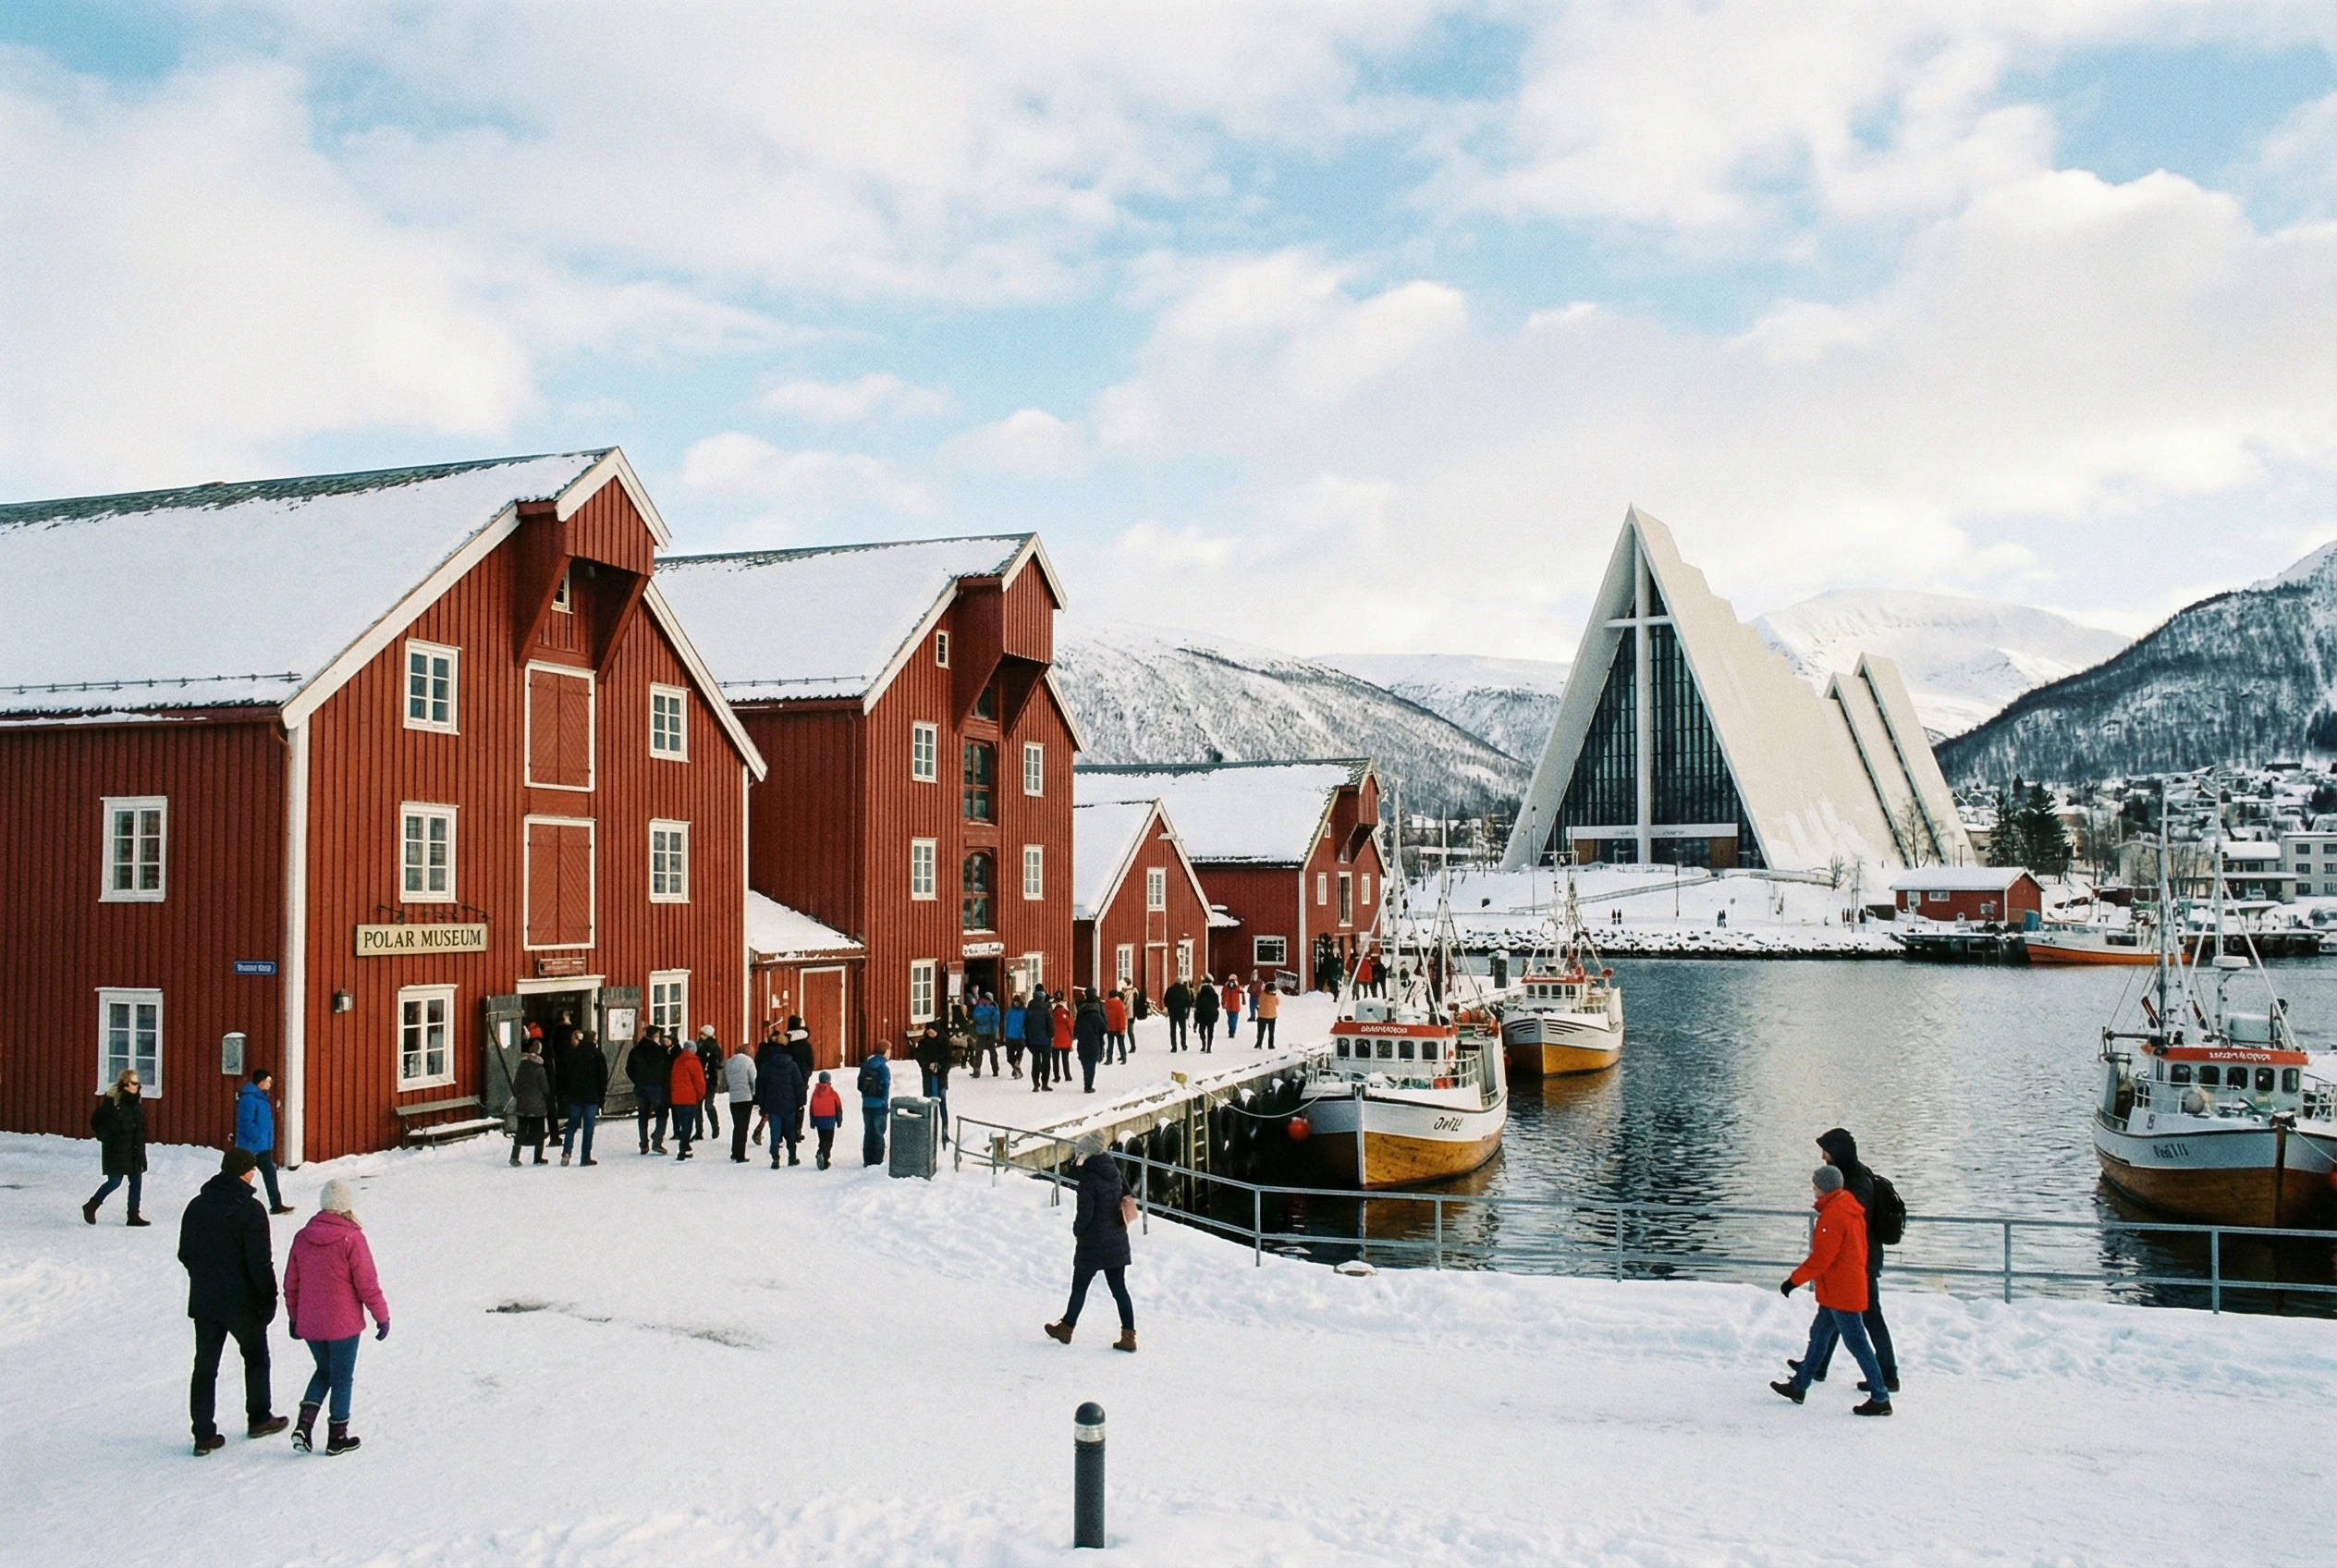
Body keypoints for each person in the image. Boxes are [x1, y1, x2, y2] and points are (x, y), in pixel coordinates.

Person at [177, 1148, 285, 1454]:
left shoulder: (196, 1206)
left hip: (206, 1299)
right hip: (243, 1302)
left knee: (205, 1366)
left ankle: (203, 1434)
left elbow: (185, 1253)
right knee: (255, 1357)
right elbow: (260, 1261)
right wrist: (269, 1297)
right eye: (251, 1169)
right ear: (242, 1172)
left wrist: (205, 1277)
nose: (254, 1174)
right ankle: (259, 1417)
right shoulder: (251, 1210)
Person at [1770, 1166, 1891, 1416]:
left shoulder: (1834, 1215)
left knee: (1857, 1342)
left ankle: (1880, 1396)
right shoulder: (1849, 1206)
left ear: (1823, 1187)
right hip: (1842, 1288)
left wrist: (1793, 1281)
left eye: (1815, 1185)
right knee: (1819, 1334)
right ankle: (1799, 1385)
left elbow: (1821, 1259)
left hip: (1840, 1292)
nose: (1813, 1189)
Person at [283, 1176, 389, 1456]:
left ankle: (304, 1426)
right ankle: (337, 1438)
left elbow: (291, 1283)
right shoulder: (352, 1238)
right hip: (343, 1324)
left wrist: (294, 1318)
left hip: (310, 1323)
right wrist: (381, 1316)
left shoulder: (302, 1237)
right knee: (342, 1377)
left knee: (324, 1370)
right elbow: (367, 1283)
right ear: (345, 1207)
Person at [1792, 1128, 1903, 1395]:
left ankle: (1887, 1376)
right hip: (1855, 1260)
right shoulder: (1848, 1175)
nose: (1823, 1156)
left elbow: (1854, 1223)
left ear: (1837, 1151)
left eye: (1826, 1150)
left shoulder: (1856, 1180)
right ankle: (1816, 1366)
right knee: (1831, 1314)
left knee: (1869, 1317)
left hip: (1861, 1261)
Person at [1044, 1134, 1137, 1353]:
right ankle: (1129, 1337)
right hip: (1116, 1239)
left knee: (1080, 1287)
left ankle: (1066, 1328)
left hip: (1093, 1244)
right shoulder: (1113, 1171)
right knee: (1119, 1289)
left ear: (1085, 1155)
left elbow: (1085, 1214)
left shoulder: (1088, 1180)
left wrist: (1077, 1230)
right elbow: (1127, 1194)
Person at [84, 1068, 150, 1226]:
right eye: (134, 1083)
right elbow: (98, 1123)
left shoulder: (136, 1104)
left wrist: (141, 1146)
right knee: (114, 1181)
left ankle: (133, 1215)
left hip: (134, 1150)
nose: (138, 1086)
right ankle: (92, 1205)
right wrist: (108, 1135)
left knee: (136, 1181)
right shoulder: (113, 1104)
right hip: (116, 1150)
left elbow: (140, 1128)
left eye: (138, 1083)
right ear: (125, 1084)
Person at [235, 1069, 295, 1214]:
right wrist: (256, 1137)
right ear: (260, 1082)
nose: (270, 1084)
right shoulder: (249, 1099)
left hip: (262, 1146)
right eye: (267, 1081)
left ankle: (276, 1205)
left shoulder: (262, 1098)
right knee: (241, 1176)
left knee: (270, 1174)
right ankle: (236, 1203)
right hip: (250, 1147)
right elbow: (245, 1122)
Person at [559, 1028, 606, 1166]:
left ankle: (566, 1152)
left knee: (572, 1125)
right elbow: (602, 1078)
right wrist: (601, 1097)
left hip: (576, 1095)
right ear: (594, 1040)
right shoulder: (598, 1055)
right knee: (588, 1128)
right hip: (591, 1096)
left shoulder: (574, 1054)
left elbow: (567, 1074)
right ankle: (585, 1157)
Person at [758, 1045, 806, 1168]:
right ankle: (792, 1156)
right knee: (790, 1131)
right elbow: (799, 1085)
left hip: (772, 1105)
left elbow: (761, 1086)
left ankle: (775, 1158)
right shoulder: (792, 1066)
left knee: (775, 1132)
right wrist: (801, 1102)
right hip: (790, 1104)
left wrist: (762, 1105)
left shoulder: (767, 1066)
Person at [627, 1031, 670, 1155]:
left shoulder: (636, 1050)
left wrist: (637, 1080)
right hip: (656, 1086)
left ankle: (643, 1144)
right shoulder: (659, 1051)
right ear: (655, 1036)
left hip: (640, 1086)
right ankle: (657, 1141)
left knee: (643, 1115)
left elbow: (629, 1068)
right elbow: (666, 1068)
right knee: (662, 1113)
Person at [509, 1039, 551, 1166]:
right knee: (539, 1131)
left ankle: (514, 1156)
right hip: (537, 1106)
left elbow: (515, 1087)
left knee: (521, 1130)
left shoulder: (522, 1067)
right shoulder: (540, 1070)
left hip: (522, 1104)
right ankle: (538, 1157)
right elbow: (546, 1089)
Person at [668, 1037, 706, 1160]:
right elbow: (700, 1082)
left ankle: (686, 1147)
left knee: (683, 1124)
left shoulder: (677, 1061)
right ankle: (683, 1149)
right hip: (689, 1098)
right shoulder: (694, 1062)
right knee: (687, 1125)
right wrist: (699, 1096)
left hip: (676, 1098)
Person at [914, 1021, 953, 1140]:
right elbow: (920, 1057)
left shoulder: (945, 1042)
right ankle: (927, 1127)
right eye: (929, 1032)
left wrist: (940, 1066)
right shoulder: (923, 1043)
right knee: (927, 1099)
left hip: (940, 1076)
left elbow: (948, 1060)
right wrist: (928, 1065)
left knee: (942, 1101)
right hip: (927, 1075)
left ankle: (944, 1127)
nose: (931, 1034)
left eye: (933, 1032)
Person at [725, 1039, 759, 1162]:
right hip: (745, 1098)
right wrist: (756, 1095)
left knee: (737, 1126)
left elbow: (726, 1080)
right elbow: (754, 1079)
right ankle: (740, 1155)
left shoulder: (729, 1062)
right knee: (743, 1127)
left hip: (733, 1098)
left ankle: (735, 1151)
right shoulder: (748, 1062)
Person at [784, 1017, 815, 1147]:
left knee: (786, 1104)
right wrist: (807, 1074)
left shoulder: (786, 1042)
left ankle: (784, 1132)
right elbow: (810, 1061)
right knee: (800, 1103)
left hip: (786, 1077)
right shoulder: (805, 1043)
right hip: (802, 1078)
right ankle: (797, 1130)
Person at [857, 1048, 891, 1166]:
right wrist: (885, 1104)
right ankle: (877, 1160)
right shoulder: (883, 1068)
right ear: (885, 1051)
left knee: (868, 1131)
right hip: (879, 1104)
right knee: (878, 1132)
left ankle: (867, 1159)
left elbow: (859, 1085)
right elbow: (886, 1087)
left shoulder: (865, 1066)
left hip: (866, 1104)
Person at [694, 1026, 725, 1141]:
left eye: (703, 1034)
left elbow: (718, 1062)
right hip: (700, 1079)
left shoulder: (714, 1047)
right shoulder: (698, 1045)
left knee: (708, 1105)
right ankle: (699, 1131)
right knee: (697, 1106)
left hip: (710, 1080)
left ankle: (715, 1127)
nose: (701, 1036)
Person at [1074, 989, 1107, 1092]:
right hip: (1094, 1042)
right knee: (1091, 1064)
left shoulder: (1081, 1013)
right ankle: (1088, 1085)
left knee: (1085, 1062)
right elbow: (1104, 1028)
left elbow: (1076, 1029)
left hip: (1083, 1042)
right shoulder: (1097, 1015)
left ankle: (1087, 1082)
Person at [809, 1072, 844, 1170]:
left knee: (822, 1139)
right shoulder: (833, 1093)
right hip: (829, 1120)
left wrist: (812, 1122)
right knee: (828, 1141)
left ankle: (822, 1153)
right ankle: (824, 1156)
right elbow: (838, 1107)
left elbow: (811, 1108)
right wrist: (839, 1120)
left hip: (819, 1120)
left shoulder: (815, 1093)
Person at [1024, 989, 1055, 1091]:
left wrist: (1027, 1038)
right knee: (1046, 1062)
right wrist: (1051, 1036)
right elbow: (1050, 1025)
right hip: (1045, 1040)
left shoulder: (1029, 1009)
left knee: (1035, 1062)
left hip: (1033, 1039)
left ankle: (1035, 1083)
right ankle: (1044, 1084)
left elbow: (1026, 1025)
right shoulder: (1046, 1009)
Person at [970, 991, 1001, 1078]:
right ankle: (995, 1070)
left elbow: (975, 1017)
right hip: (990, 1033)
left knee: (979, 1052)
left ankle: (977, 1070)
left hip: (980, 1032)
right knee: (992, 1052)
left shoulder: (979, 1007)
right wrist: (995, 1032)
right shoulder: (994, 1007)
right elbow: (996, 1020)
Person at [1003, 989, 1028, 1080]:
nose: (1016, 1003)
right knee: (1009, 1057)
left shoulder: (1024, 1011)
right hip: (1010, 1036)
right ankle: (1016, 1067)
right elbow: (1006, 1023)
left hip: (1020, 1036)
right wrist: (1005, 1035)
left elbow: (1027, 1023)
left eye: (1017, 1002)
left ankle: (1016, 1069)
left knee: (1019, 1053)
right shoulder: (1010, 1011)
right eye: (1015, 1002)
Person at [1163, 977, 1192, 1051]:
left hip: (1172, 1012)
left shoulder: (1170, 989)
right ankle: (1183, 1045)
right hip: (1181, 1012)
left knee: (1173, 1029)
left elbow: (1165, 1000)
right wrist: (1186, 1010)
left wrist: (1169, 1006)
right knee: (1183, 1029)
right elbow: (1188, 1001)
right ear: (1181, 982)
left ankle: (1174, 1047)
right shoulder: (1184, 990)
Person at [1193, 974, 1220, 1052]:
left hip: (1202, 1015)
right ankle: (1209, 1047)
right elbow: (1217, 1005)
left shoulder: (1200, 994)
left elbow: (1197, 1005)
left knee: (1202, 1031)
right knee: (1210, 1032)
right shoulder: (1214, 994)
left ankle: (1203, 1044)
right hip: (1211, 1015)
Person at [1051, 994, 1075, 1083]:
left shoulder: (1052, 1014)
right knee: (1065, 1059)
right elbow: (1070, 1026)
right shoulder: (1065, 1013)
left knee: (1055, 1060)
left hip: (1055, 1040)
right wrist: (1071, 1038)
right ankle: (1067, 1075)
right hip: (1065, 1039)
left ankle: (1056, 1076)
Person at [1103, 988, 1129, 1064]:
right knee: (1121, 1043)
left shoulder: (1106, 1004)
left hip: (1109, 1027)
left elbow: (1105, 1015)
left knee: (1110, 1044)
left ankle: (1109, 1059)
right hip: (1118, 1027)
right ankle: (1123, 1057)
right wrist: (1122, 1028)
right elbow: (1121, 1017)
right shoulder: (1119, 1004)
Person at [1254, 981, 1280, 1049]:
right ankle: (1271, 1045)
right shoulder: (1274, 997)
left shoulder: (1262, 995)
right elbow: (1277, 1003)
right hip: (1272, 1017)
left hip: (1262, 1016)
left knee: (1260, 1031)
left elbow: (1259, 1001)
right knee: (1271, 1032)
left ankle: (1259, 1043)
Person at [1221, 974, 1243, 1043]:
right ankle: (1232, 1031)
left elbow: (1223, 994)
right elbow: (1241, 991)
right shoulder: (1237, 986)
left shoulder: (1225, 986)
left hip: (1228, 1005)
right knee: (1234, 1019)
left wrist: (1223, 1003)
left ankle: (1231, 1029)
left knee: (1230, 1018)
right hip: (1235, 1006)